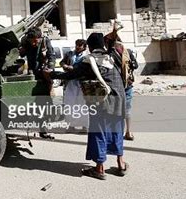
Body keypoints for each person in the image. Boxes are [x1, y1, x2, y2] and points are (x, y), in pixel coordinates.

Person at [49, 33, 127, 180]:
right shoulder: (112, 56)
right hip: (120, 99)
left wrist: (52, 74)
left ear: (90, 46)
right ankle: (120, 164)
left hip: (102, 101)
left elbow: (73, 75)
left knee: (98, 132)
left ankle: (99, 169)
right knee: (116, 130)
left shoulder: (89, 60)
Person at [19, 27, 56, 139]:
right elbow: (21, 54)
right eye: (32, 41)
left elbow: (52, 56)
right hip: (32, 73)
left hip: (43, 75)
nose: (34, 43)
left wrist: (50, 68)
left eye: (36, 40)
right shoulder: (25, 40)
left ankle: (43, 130)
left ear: (40, 38)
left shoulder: (45, 41)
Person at [60, 39, 88, 129]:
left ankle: (84, 125)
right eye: (77, 45)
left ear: (84, 47)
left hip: (81, 83)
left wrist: (74, 68)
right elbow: (62, 62)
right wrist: (65, 66)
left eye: (80, 45)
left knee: (82, 104)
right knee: (70, 103)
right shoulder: (69, 54)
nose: (77, 47)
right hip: (70, 82)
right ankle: (71, 125)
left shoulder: (86, 56)